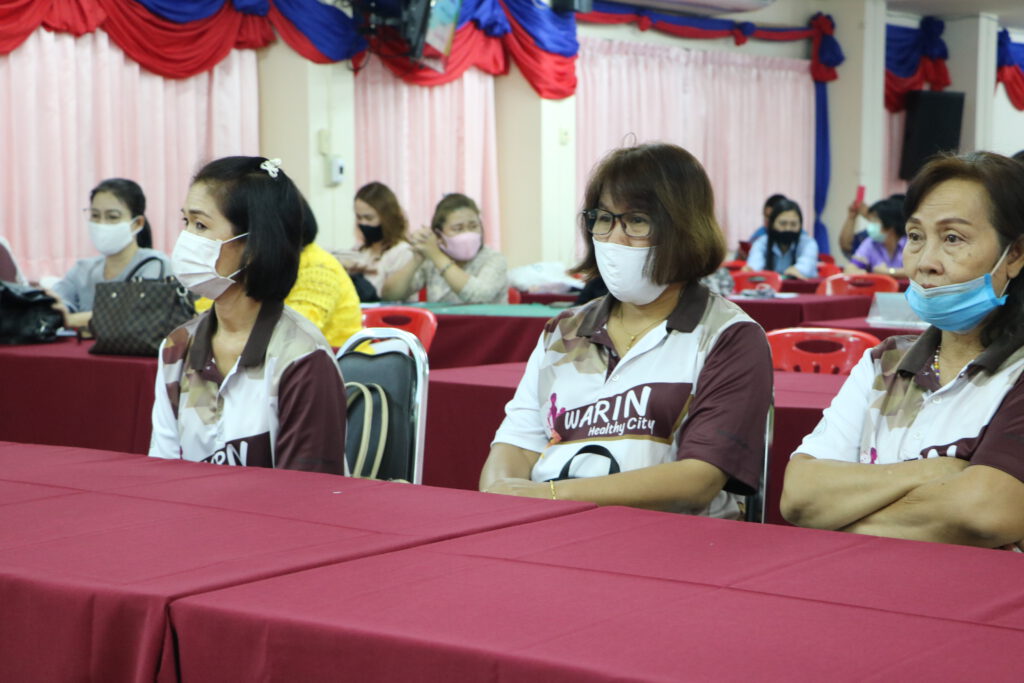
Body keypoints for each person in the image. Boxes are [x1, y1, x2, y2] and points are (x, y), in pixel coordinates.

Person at [479, 143, 772, 518]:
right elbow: (517, 447)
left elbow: (697, 480)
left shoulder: (729, 337)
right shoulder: (563, 330)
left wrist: (551, 496)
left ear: (683, 228)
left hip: (667, 537)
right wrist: (500, 497)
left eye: (636, 221)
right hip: (549, 527)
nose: (614, 238)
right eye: (604, 218)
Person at [780, 152, 1024, 549]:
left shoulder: (1016, 371)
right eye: (915, 236)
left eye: (952, 238)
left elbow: (985, 512)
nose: (925, 262)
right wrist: (934, 470)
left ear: (1014, 254)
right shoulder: (884, 362)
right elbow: (799, 495)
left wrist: (840, 516)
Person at [149, 156, 347, 473]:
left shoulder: (302, 359)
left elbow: (307, 492)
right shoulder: (178, 347)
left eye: (201, 225)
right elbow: (162, 471)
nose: (185, 239)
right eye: (186, 222)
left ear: (253, 245)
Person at [193, 197, 363, 348]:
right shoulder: (255, 262)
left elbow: (294, 336)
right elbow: (205, 315)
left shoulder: (318, 267)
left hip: (334, 363)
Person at [50, 178, 170, 329]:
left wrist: (72, 320)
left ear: (137, 223)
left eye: (112, 217)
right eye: (95, 216)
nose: (101, 224)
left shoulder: (154, 264)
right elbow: (57, 305)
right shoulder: (82, 270)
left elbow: (136, 315)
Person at [382, 193, 508, 304]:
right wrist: (417, 259)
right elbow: (390, 295)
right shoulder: (430, 261)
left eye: (473, 226)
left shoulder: (494, 259)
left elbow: (478, 296)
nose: (467, 233)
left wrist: (436, 255)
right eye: (458, 228)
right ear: (439, 235)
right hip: (441, 324)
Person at [336, 182, 415, 301]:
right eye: (359, 217)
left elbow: (390, 296)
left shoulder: (402, 252)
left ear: (387, 218)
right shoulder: (359, 250)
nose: (363, 223)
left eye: (369, 218)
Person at [744, 199, 818, 279]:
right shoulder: (761, 243)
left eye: (793, 224)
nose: (788, 229)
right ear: (772, 224)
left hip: (801, 287)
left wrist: (795, 271)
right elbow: (753, 269)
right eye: (783, 223)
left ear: (800, 226)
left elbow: (805, 267)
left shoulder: (808, 243)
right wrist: (750, 270)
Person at [845, 195, 907, 277]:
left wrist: (888, 272)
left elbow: (916, 272)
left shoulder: (908, 243)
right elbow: (849, 269)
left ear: (890, 226)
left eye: (874, 221)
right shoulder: (870, 243)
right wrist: (867, 274)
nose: (870, 226)